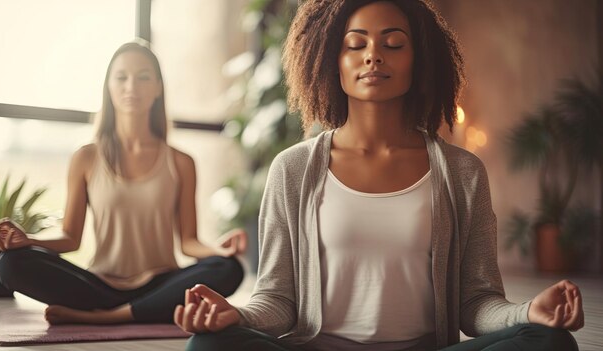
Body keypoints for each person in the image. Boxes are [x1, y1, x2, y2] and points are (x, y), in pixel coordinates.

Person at [174, 0, 584, 350]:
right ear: (332, 59)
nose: (374, 55)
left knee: (552, 341)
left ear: (418, 60)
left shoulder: (462, 172)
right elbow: (278, 300)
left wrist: (529, 311)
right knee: (208, 343)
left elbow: (477, 303)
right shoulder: (293, 168)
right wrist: (235, 314)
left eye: (393, 44)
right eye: (356, 44)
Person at [0, 41, 246, 325]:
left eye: (143, 77)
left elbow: (188, 242)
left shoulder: (181, 162)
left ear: (158, 88)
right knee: (11, 263)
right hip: (99, 286)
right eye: (121, 77)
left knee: (228, 268)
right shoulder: (86, 158)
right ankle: (131, 312)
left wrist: (219, 250)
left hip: (161, 284)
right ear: (109, 87)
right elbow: (71, 238)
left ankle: (111, 317)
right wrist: (29, 241)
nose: (131, 86)